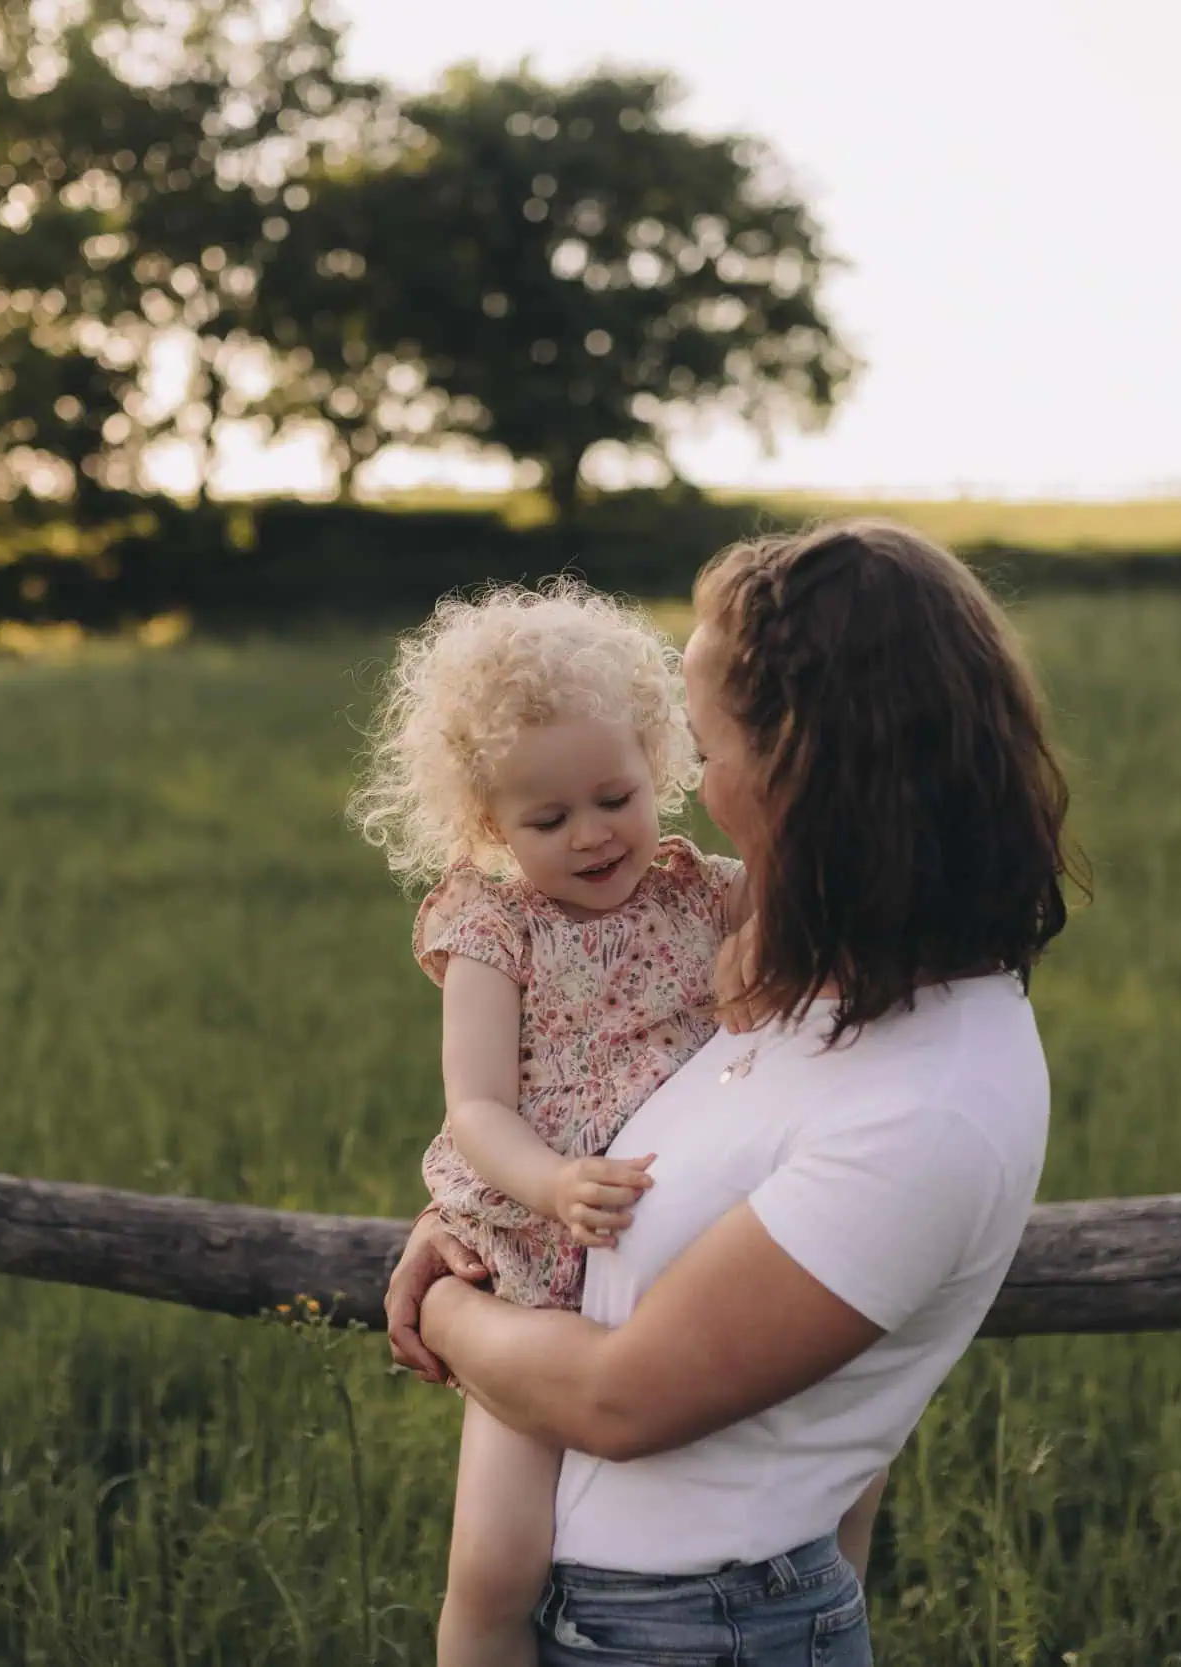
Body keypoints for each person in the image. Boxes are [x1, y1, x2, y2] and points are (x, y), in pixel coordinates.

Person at [387, 521, 1077, 1665]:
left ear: (810, 763)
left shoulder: (929, 1104)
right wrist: (464, 1220)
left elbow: (620, 1399)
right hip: (631, 1613)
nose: (691, 793)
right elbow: (601, 1125)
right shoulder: (805, 982)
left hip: (705, 1626)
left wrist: (444, 1311)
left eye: (700, 751)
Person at [350, 582, 746, 1667]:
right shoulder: (493, 928)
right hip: (533, 1244)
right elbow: (474, 1103)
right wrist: (548, 1184)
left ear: (657, 759)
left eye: (614, 795)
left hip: (680, 1246)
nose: (590, 836)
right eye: (546, 818)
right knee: (497, 1561)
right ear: (487, 822)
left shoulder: (700, 892)